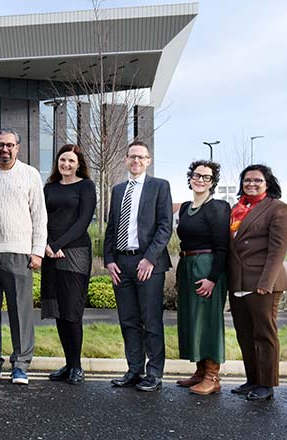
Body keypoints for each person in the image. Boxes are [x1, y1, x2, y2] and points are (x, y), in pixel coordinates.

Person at [0, 128, 47, 385]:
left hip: (19, 252)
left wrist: (37, 250)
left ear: (18, 147)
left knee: (20, 312)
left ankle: (20, 364)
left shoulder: (30, 175)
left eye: (10, 145)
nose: (4, 149)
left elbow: (39, 215)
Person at [103, 141, 172, 392]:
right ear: (125, 159)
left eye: (142, 157)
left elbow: (165, 226)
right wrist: (109, 260)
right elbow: (111, 227)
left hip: (149, 264)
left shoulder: (160, 187)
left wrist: (150, 258)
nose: (137, 161)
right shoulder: (118, 189)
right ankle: (134, 370)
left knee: (151, 320)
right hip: (122, 262)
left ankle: (154, 373)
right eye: (132, 156)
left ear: (148, 161)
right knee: (128, 320)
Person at [228, 164, 287, 401]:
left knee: (264, 334)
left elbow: (277, 251)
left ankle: (266, 384)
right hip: (238, 282)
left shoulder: (278, 209)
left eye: (257, 180)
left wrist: (266, 282)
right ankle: (252, 379)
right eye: (247, 180)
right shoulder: (237, 209)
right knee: (244, 334)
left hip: (263, 283)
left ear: (268, 183)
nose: (251, 184)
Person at [42, 144, 96, 385]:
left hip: (75, 252)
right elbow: (40, 218)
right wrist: (46, 244)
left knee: (72, 312)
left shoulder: (86, 186)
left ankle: (77, 366)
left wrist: (58, 244)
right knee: (59, 312)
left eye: (71, 161)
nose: (66, 164)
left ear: (79, 164)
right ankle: (68, 363)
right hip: (49, 252)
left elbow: (83, 221)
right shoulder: (49, 188)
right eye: (62, 160)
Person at [174, 160, 230, 395]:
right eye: (197, 175)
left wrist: (212, 278)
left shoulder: (218, 207)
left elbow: (222, 247)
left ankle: (212, 376)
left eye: (206, 177)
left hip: (207, 266)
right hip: (187, 264)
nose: (200, 179)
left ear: (213, 182)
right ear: (190, 178)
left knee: (208, 321)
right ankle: (199, 372)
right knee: (192, 319)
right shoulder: (185, 207)